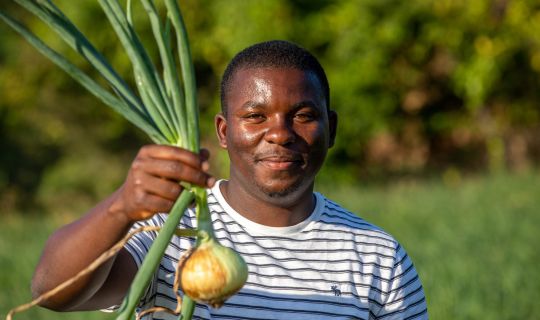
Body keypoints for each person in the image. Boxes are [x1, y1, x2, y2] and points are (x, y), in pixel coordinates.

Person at [31, 40, 428, 319]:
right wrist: (122, 207)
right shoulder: (171, 232)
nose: (279, 133)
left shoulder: (378, 256)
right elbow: (52, 293)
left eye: (304, 116)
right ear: (223, 132)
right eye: (255, 117)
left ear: (332, 128)